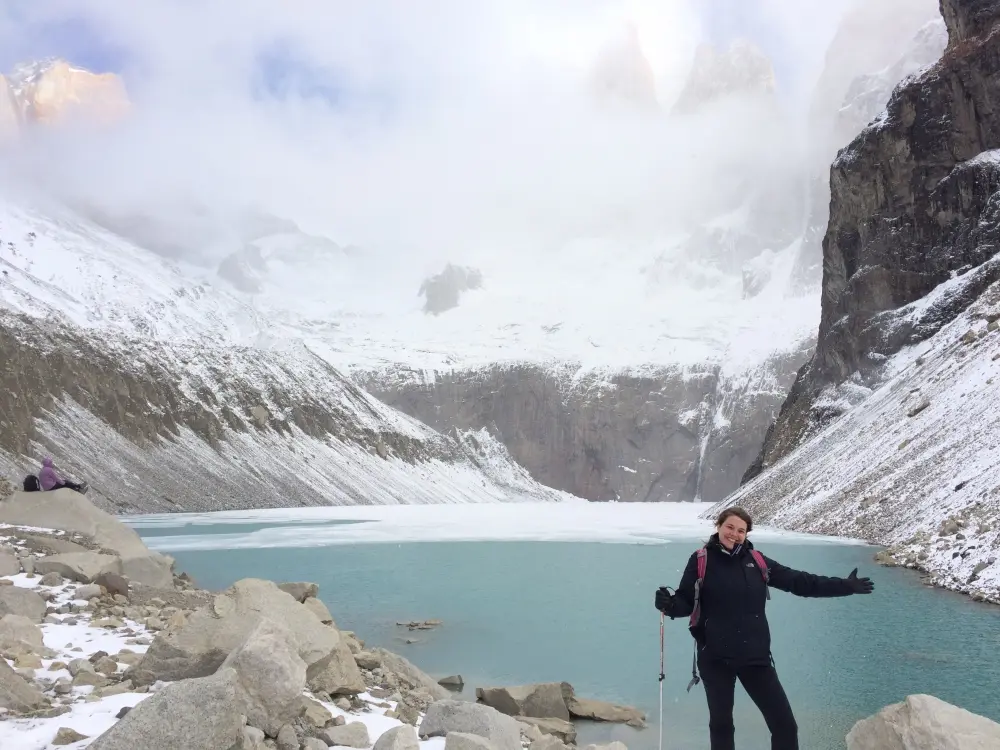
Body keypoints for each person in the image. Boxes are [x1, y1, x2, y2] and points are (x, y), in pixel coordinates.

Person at [654, 507, 874, 750]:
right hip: (715, 657)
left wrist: (844, 586)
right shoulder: (701, 560)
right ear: (718, 526)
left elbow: (799, 582)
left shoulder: (757, 562)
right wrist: (669, 605)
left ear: (746, 534)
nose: (734, 534)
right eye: (730, 527)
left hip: (755, 658)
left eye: (741, 530)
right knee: (722, 726)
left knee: (784, 725)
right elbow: (686, 600)